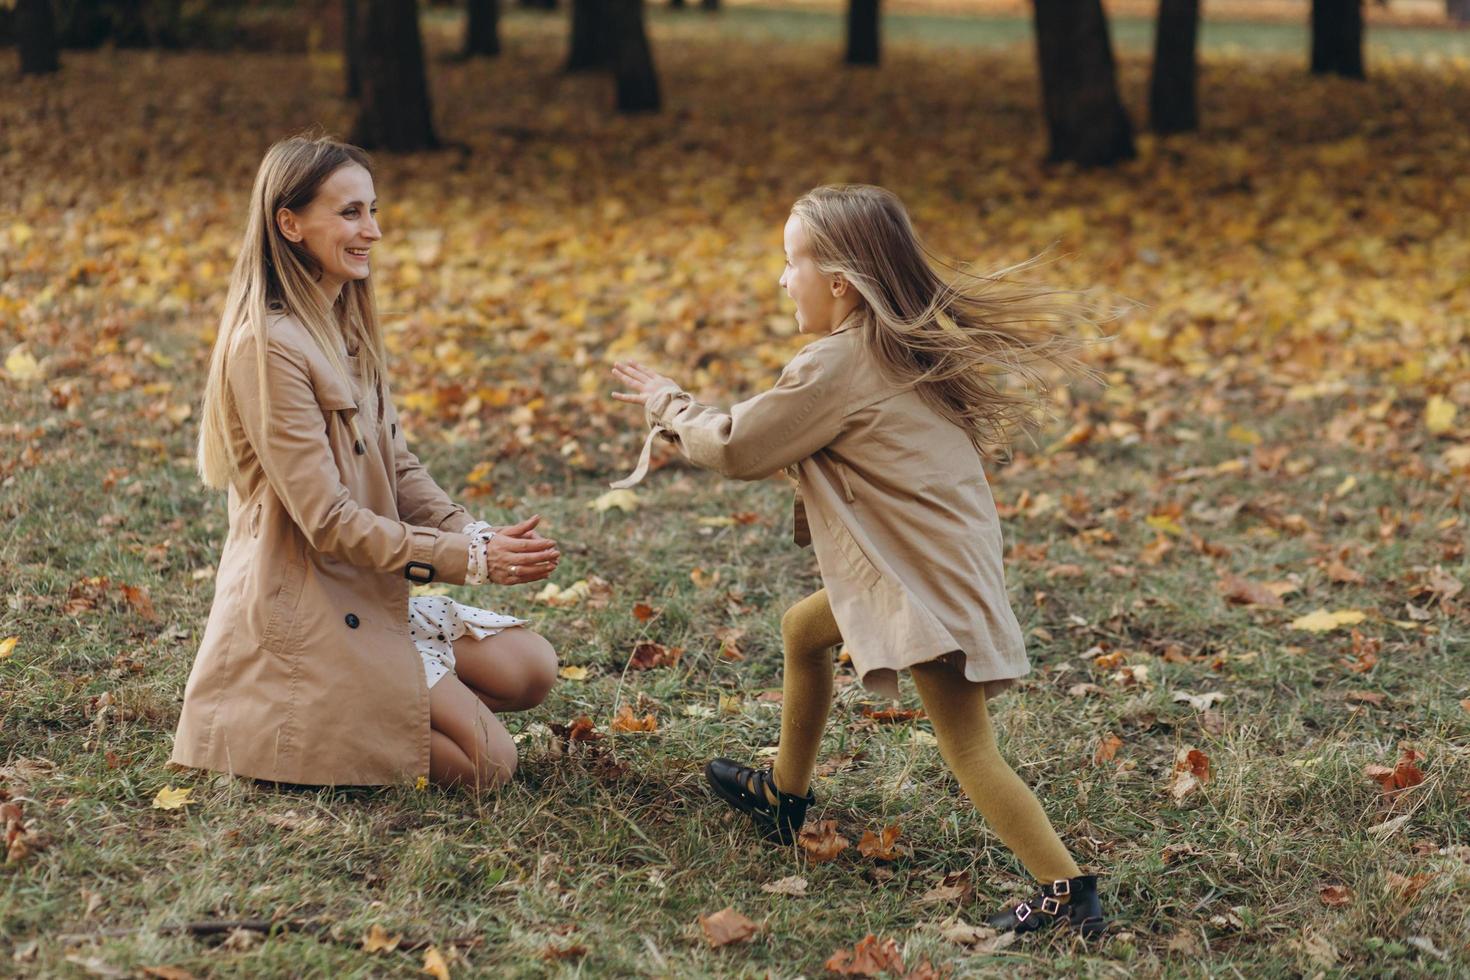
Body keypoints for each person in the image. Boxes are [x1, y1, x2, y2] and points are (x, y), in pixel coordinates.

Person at [610, 184, 1107, 937]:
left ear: (838, 282)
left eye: (790, 263)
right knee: (804, 632)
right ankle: (785, 794)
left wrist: (668, 404)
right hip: (933, 566)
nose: (782, 280)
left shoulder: (839, 364)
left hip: (925, 584)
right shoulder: (895, 345)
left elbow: (739, 445)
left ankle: (1066, 892)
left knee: (969, 747)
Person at [173, 135, 560, 792]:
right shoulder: (267, 348)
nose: (372, 231)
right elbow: (327, 521)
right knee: (490, 766)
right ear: (288, 224)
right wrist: (462, 562)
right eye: (350, 213)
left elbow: (397, 464)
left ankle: (381, 708)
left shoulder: (342, 322)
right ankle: (301, 721)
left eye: (372, 211)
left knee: (532, 667)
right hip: (310, 611)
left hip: (365, 592)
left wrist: (474, 534)